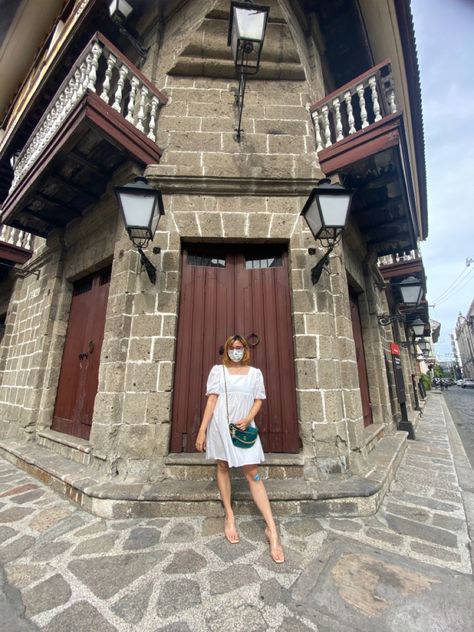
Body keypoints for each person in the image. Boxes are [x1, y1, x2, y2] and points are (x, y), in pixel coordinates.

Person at [195, 334, 285, 564]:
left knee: (253, 473)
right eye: (232, 347)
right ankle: (230, 515)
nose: (235, 350)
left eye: (239, 347)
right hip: (220, 427)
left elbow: (259, 399)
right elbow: (212, 401)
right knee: (223, 466)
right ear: (226, 350)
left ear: (244, 349)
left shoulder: (255, 374)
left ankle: (272, 529)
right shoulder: (218, 371)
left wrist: (248, 418)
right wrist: (202, 430)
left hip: (243, 428)